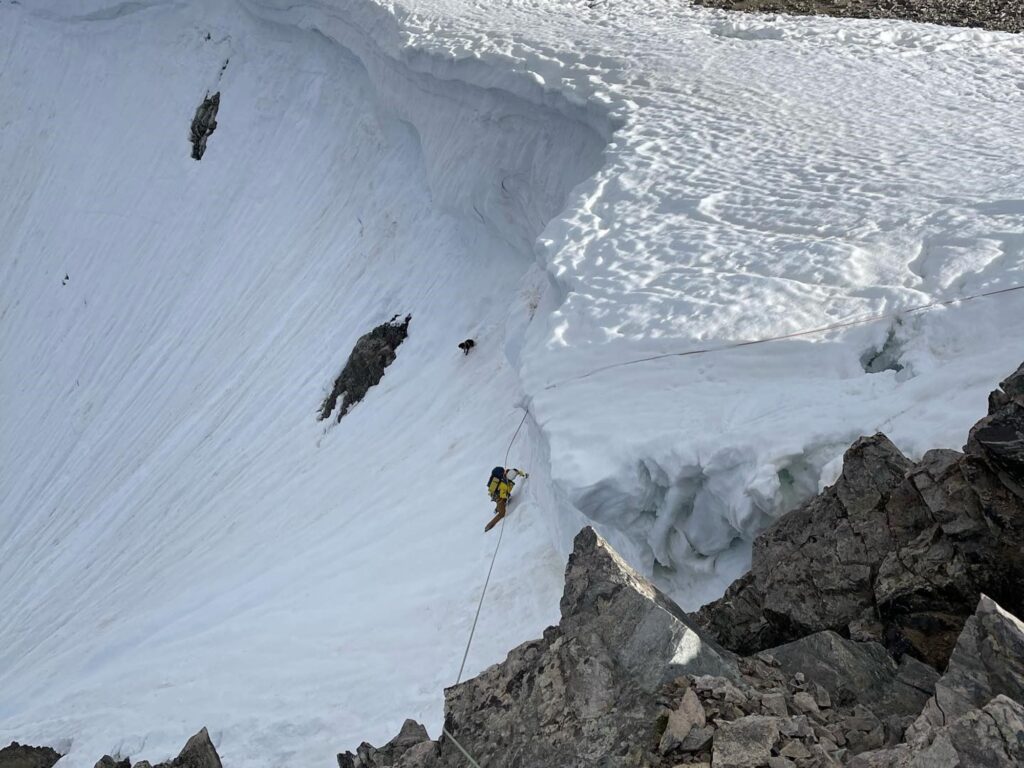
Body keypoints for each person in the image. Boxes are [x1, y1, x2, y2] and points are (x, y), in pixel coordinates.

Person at [485, 466, 528, 531]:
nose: (513, 478)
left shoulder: (509, 473)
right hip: (498, 497)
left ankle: (497, 508)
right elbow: (503, 495)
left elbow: (516, 472)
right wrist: (507, 495)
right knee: (502, 513)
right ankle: (488, 526)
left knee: (503, 501)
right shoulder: (503, 485)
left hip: (499, 494)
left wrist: (523, 474)